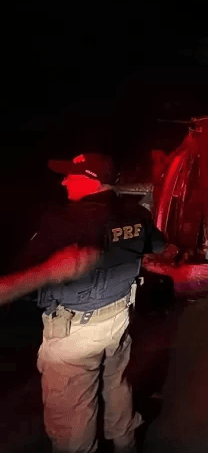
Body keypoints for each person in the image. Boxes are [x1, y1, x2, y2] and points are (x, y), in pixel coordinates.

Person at [8, 153, 165, 453]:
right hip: (119, 319)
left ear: (92, 181)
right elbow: (156, 246)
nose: (64, 182)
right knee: (117, 384)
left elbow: (24, 275)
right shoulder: (136, 213)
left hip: (74, 336)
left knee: (72, 423)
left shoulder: (63, 221)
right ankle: (126, 442)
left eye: (71, 175)